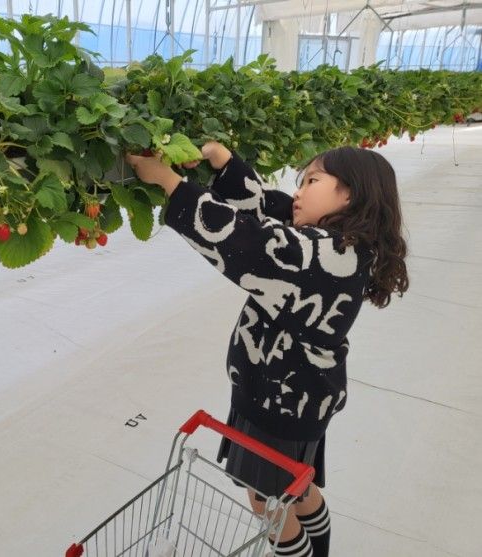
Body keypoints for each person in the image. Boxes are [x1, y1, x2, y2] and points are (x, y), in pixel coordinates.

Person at [125, 141, 409, 556]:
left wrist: (171, 183)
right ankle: (320, 548)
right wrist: (226, 166)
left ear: (350, 192)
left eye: (311, 180)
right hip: (296, 400)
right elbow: (269, 210)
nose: (297, 192)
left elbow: (249, 242)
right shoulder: (342, 245)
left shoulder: (323, 254)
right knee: (298, 486)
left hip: (278, 404)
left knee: (265, 498)